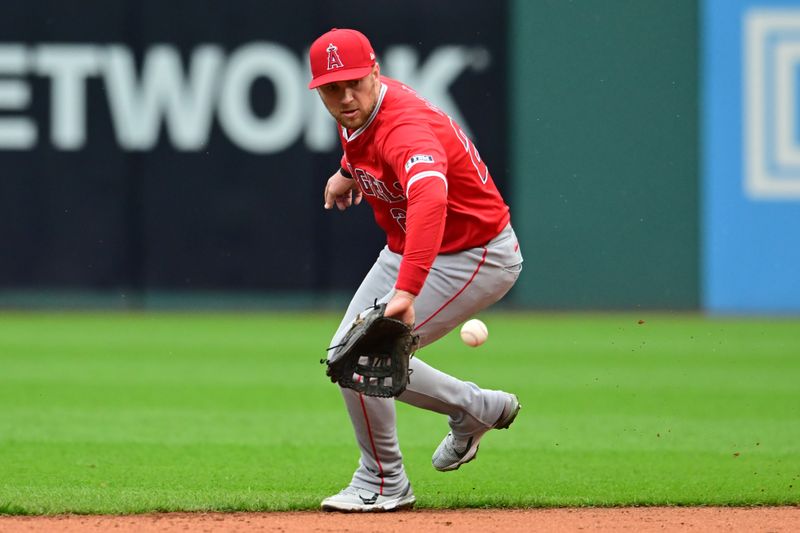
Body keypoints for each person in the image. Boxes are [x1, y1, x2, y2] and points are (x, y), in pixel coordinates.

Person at [308, 28, 524, 512]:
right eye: (331, 88)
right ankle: (475, 408)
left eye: (355, 83)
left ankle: (384, 482)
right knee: (348, 352)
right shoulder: (361, 112)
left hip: (474, 253)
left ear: (376, 72)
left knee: (362, 356)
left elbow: (430, 199)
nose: (345, 97)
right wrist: (347, 171)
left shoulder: (405, 129)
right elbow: (363, 140)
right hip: (413, 247)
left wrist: (406, 292)